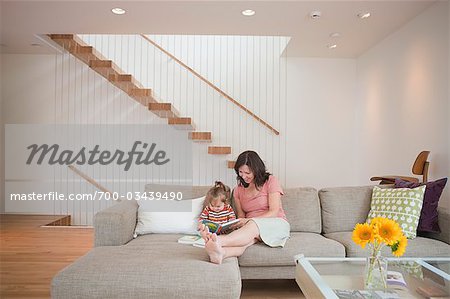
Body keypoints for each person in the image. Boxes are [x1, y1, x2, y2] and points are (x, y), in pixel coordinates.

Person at [199, 150, 290, 264]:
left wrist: (249, 220)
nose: (244, 176)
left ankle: (218, 241)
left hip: (275, 223)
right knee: (246, 242)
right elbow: (241, 215)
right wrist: (235, 225)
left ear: (256, 170)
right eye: (240, 172)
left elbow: (274, 211)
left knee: (252, 225)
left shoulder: (271, 181)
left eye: (248, 173)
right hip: (250, 228)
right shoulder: (238, 190)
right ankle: (221, 253)